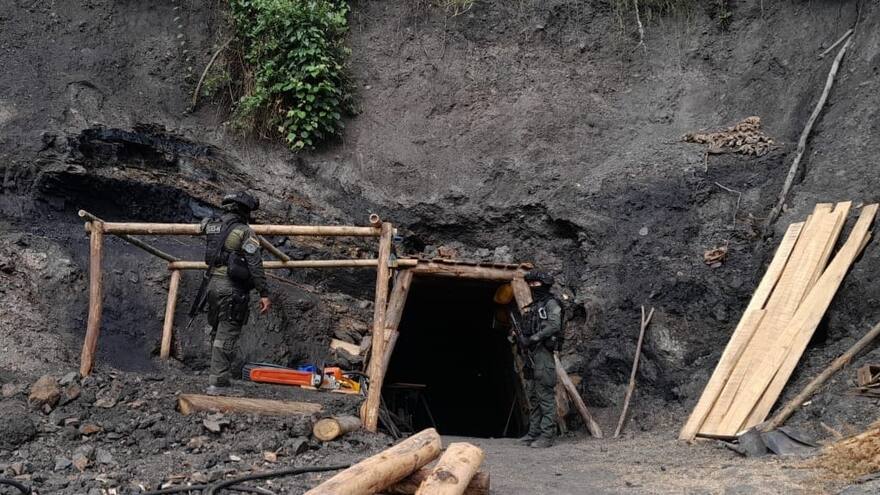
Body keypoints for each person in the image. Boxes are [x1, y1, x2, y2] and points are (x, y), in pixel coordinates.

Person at [201, 191, 272, 395]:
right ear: (245, 211)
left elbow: (201, 225)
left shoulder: (212, 224)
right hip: (231, 288)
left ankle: (216, 376)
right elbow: (255, 265)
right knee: (227, 334)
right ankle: (218, 383)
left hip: (212, 286)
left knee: (216, 332)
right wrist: (264, 293)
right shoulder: (244, 232)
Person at [516, 270, 563, 448]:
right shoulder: (534, 306)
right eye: (531, 284)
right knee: (533, 396)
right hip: (530, 354)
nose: (533, 287)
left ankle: (547, 436)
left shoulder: (551, 304)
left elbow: (554, 325)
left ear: (544, 284)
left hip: (543, 353)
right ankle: (533, 433)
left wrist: (533, 338)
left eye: (536, 284)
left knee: (545, 396)